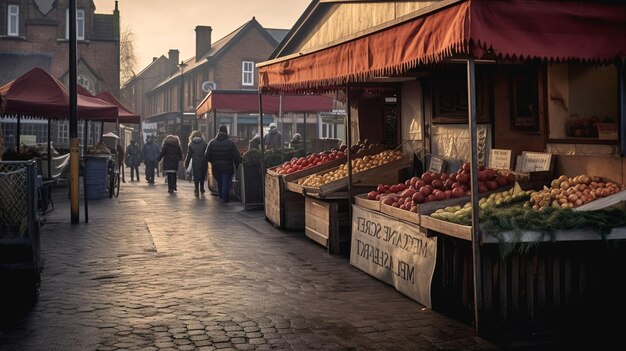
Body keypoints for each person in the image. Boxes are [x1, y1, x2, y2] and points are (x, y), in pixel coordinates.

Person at [205, 124, 241, 202]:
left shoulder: (212, 142)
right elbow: (237, 156)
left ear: (218, 131)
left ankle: (221, 196)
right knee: (225, 182)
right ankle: (224, 198)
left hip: (216, 167)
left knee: (220, 181)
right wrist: (236, 165)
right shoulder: (230, 143)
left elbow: (207, 156)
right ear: (226, 132)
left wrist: (213, 161)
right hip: (227, 167)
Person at [184, 130, 208, 197]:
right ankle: (202, 189)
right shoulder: (204, 143)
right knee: (202, 175)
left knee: (196, 175)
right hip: (203, 161)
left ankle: (196, 190)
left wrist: (186, 163)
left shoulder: (191, 144)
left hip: (195, 161)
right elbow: (207, 154)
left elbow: (189, 155)